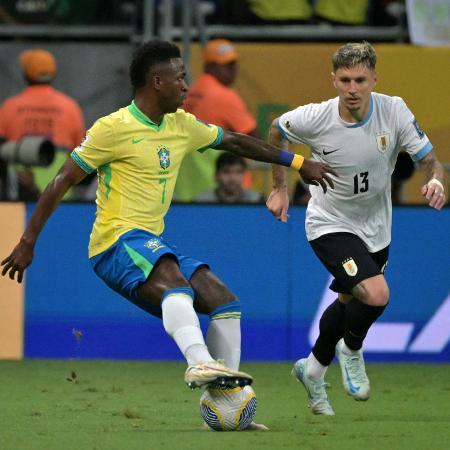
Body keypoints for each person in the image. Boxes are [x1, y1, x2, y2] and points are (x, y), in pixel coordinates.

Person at [1, 41, 335, 429]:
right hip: (115, 242)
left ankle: (227, 406)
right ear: (156, 82)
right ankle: (199, 363)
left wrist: (296, 161)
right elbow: (62, 179)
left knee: (223, 300)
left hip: (149, 243)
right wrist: (28, 241)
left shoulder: (182, 125)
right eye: (179, 77)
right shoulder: (113, 128)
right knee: (175, 279)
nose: (186, 85)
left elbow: (235, 140)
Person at [266, 42, 446, 416]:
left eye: (360, 80)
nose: (352, 89)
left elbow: (430, 161)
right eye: (345, 80)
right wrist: (280, 186)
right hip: (329, 222)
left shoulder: (393, 110)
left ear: (373, 79)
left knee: (349, 300)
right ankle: (351, 348)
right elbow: (276, 130)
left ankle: (312, 369)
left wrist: (437, 182)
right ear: (334, 80)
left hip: (377, 227)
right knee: (376, 294)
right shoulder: (316, 118)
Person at [175, 38, 259, 202]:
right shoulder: (224, 96)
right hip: (221, 191)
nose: (233, 70)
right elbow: (254, 138)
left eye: (234, 64)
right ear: (209, 66)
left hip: (187, 188)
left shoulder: (191, 92)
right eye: (227, 65)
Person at [0, 49, 85, 200]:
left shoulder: (9, 107)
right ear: (53, 74)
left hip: (18, 197)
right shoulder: (70, 107)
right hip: (59, 197)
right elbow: (82, 155)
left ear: (25, 74)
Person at [195, 152, 263, 203]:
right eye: (226, 172)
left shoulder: (257, 201)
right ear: (216, 175)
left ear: (244, 175)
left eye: (238, 172)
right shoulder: (201, 203)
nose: (232, 178)